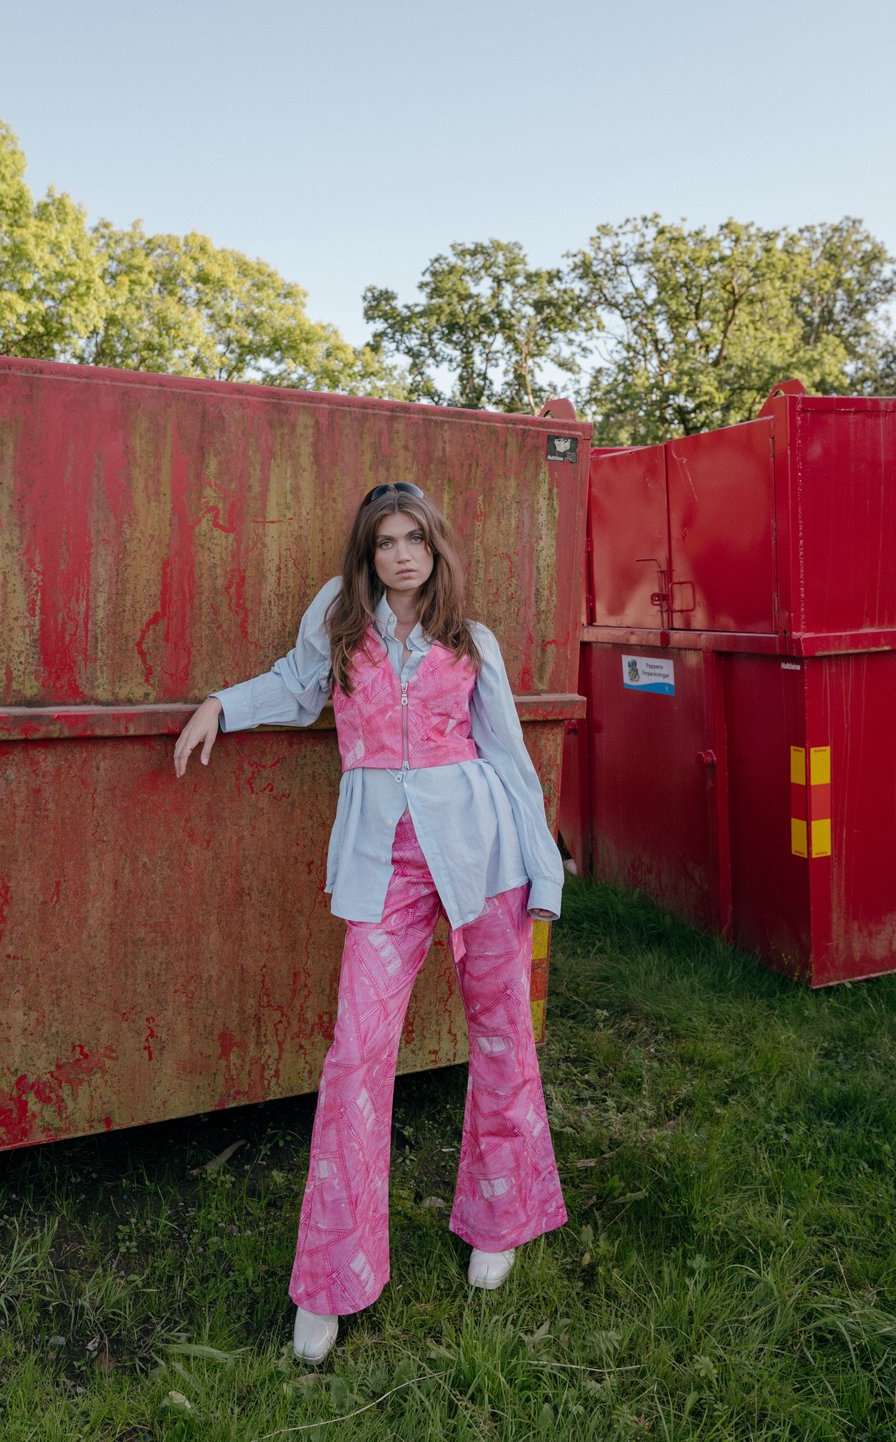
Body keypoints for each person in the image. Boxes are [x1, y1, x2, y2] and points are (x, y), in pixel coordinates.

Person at [173, 482, 567, 1363]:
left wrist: (543, 871)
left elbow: (509, 760)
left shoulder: (473, 641)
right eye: (386, 541)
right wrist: (220, 706)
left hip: (481, 857)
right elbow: (293, 685)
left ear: (435, 549)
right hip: (381, 862)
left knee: (502, 1036)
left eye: (415, 540)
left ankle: (500, 1216)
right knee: (356, 1054)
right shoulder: (341, 624)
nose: (402, 555)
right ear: (369, 552)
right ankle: (332, 1276)